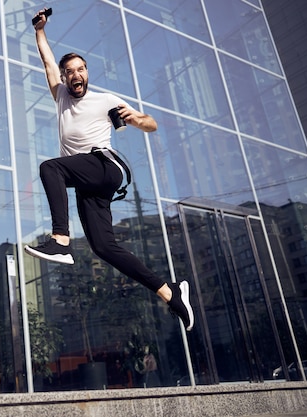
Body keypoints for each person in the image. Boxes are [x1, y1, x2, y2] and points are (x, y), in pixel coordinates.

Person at [24, 8, 194, 331]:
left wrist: (134, 118)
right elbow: (47, 61)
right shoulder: (60, 96)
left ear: (87, 72)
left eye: (81, 70)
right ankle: (171, 293)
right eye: (70, 72)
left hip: (105, 166)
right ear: (64, 77)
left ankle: (60, 239)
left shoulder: (105, 101)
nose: (76, 76)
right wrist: (39, 31)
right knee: (103, 247)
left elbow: (152, 124)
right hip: (88, 182)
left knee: (50, 169)